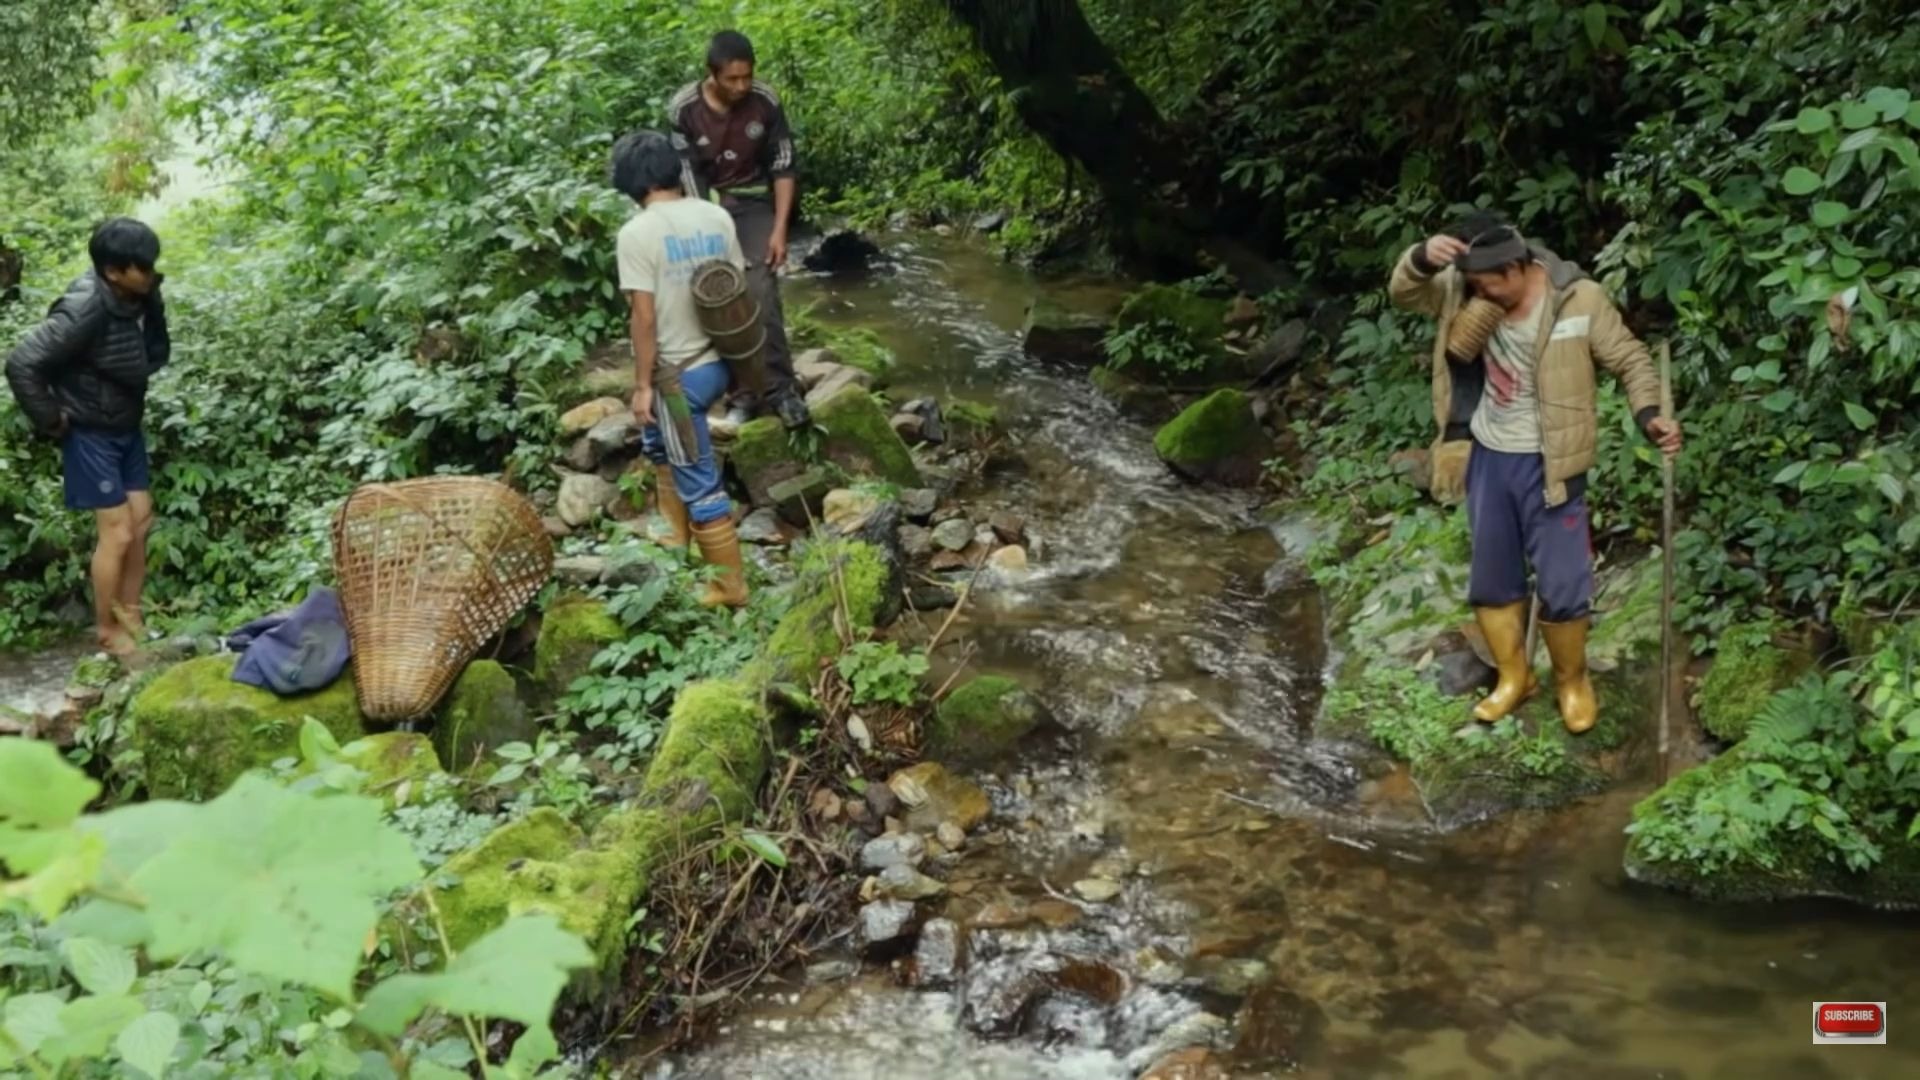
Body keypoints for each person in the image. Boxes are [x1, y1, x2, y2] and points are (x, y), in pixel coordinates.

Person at [1389, 211, 1682, 733]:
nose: (1485, 293)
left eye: (1493, 284)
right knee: (1493, 577)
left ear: (1521, 266)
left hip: (1553, 461)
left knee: (1565, 583)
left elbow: (1632, 360)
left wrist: (1650, 415)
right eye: (1475, 284)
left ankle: (1572, 682)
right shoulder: (1466, 290)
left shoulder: (1578, 298)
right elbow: (1404, 294)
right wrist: (1419, 257)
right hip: (1487, 454)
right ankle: (1514, 677)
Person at [6, 218, 170, 656]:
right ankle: (105, 629)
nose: (151, 272)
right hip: (90, 432)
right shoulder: (84, 308)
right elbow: (22, 364)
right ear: (114, 271)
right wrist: (53, 421)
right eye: (143, 266)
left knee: (141, 521)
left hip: (124, 425)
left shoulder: (139, 293)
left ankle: (131, 615)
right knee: (116, 533)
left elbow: (150, 351)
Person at [610, 129, 749, 607]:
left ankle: (729, 587)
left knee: (696, 471)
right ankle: (674, 534)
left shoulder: (636, 233)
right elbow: (735, 289)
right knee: (658, 443)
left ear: (629, 184)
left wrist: (642, 385)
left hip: (678, 378)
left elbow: (643, 316)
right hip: (721, 362)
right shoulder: (716, 215)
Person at [667, 29, 810, 430]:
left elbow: (784, 166)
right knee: (721, 295)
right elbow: (685, 175)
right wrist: (699, 230)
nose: (741, 85)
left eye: (747, 76)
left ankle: (782, 390)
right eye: (732, 79)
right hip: (705, 204)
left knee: (760, 287)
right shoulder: (684, 109)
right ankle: (743, 396)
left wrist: (780, 229)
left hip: (753, 202)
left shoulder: (765, 102)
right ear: (712, 74)